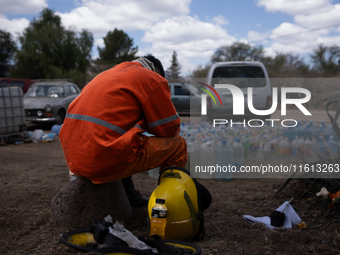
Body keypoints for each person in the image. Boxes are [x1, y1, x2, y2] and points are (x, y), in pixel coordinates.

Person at [59, 54, 188, 206]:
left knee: (126, 139)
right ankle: (168, 204)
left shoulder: (108, 74)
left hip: (74, 159)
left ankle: (129, 197)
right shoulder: (152, 78)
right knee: (178, 145)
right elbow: (169, 130)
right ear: (156, 72)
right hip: (100, 158)